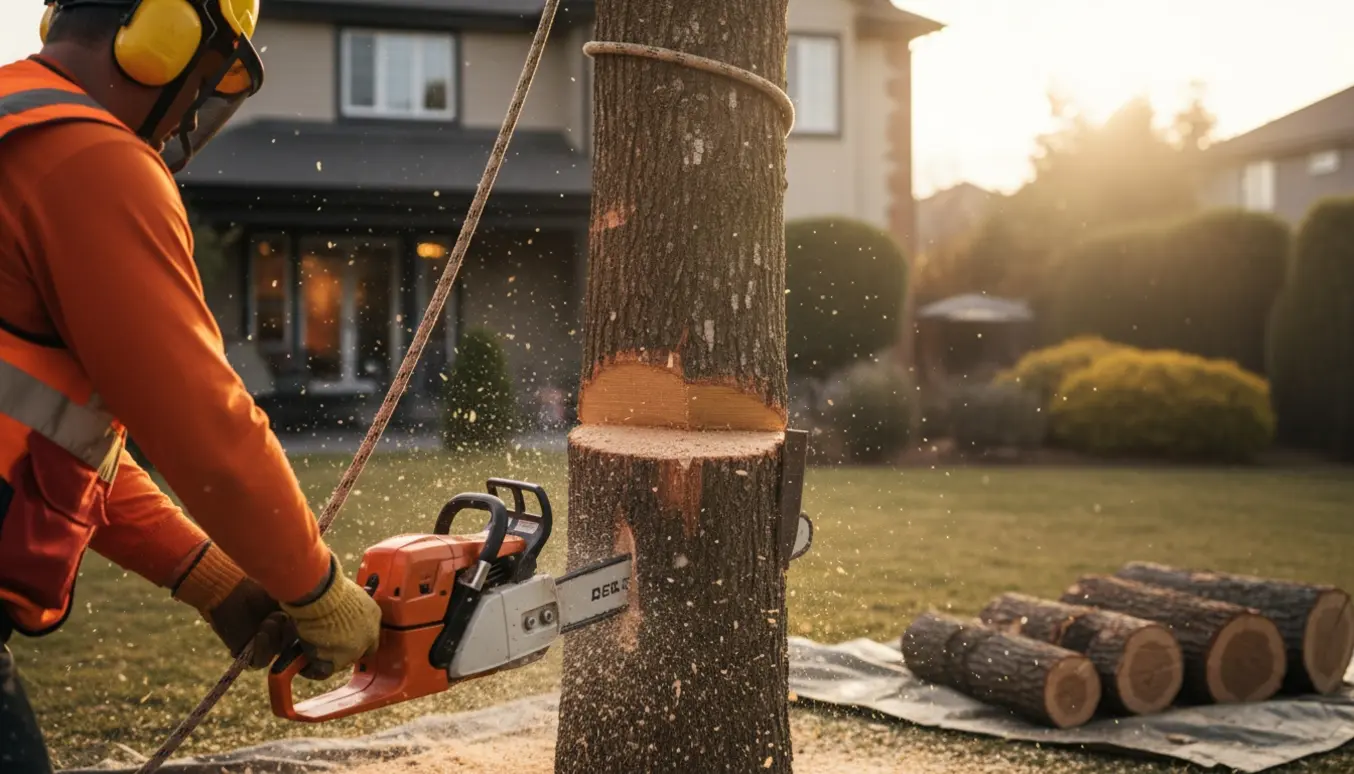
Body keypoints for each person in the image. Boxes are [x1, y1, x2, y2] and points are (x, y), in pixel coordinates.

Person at [0, 2, 383, 770]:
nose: (190, 113)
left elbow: (39, 432)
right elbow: (204, 427)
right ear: (162, 37)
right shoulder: (88, 157)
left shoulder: (17, 126)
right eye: (206, 79)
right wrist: (315, 588)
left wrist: (206, 576)